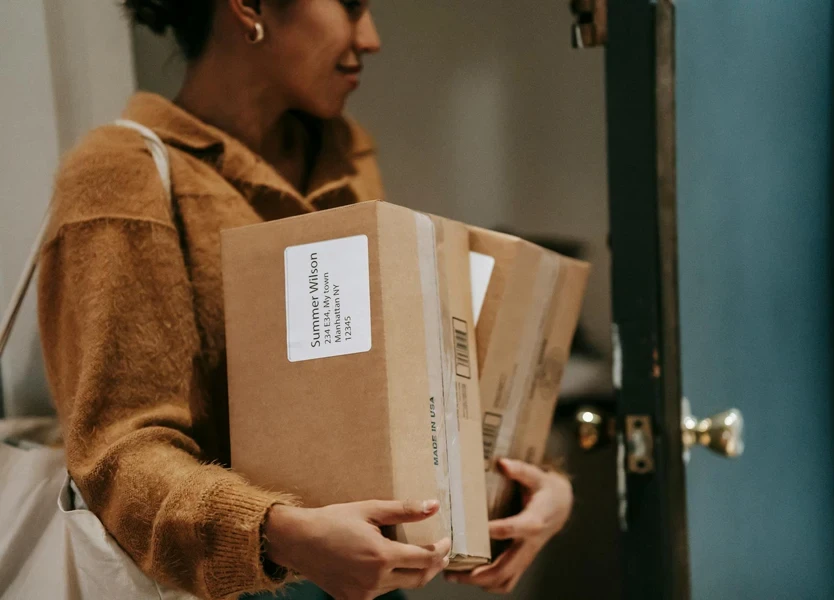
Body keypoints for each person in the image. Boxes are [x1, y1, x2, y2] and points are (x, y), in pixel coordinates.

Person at [37, 1, 574, 599]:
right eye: (349, 4)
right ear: (249, 7)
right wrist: (276, 534)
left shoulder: (343, 155)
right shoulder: (119, 176)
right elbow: (119, 454)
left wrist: (529, 490)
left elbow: (401, 395)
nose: (369, 38)